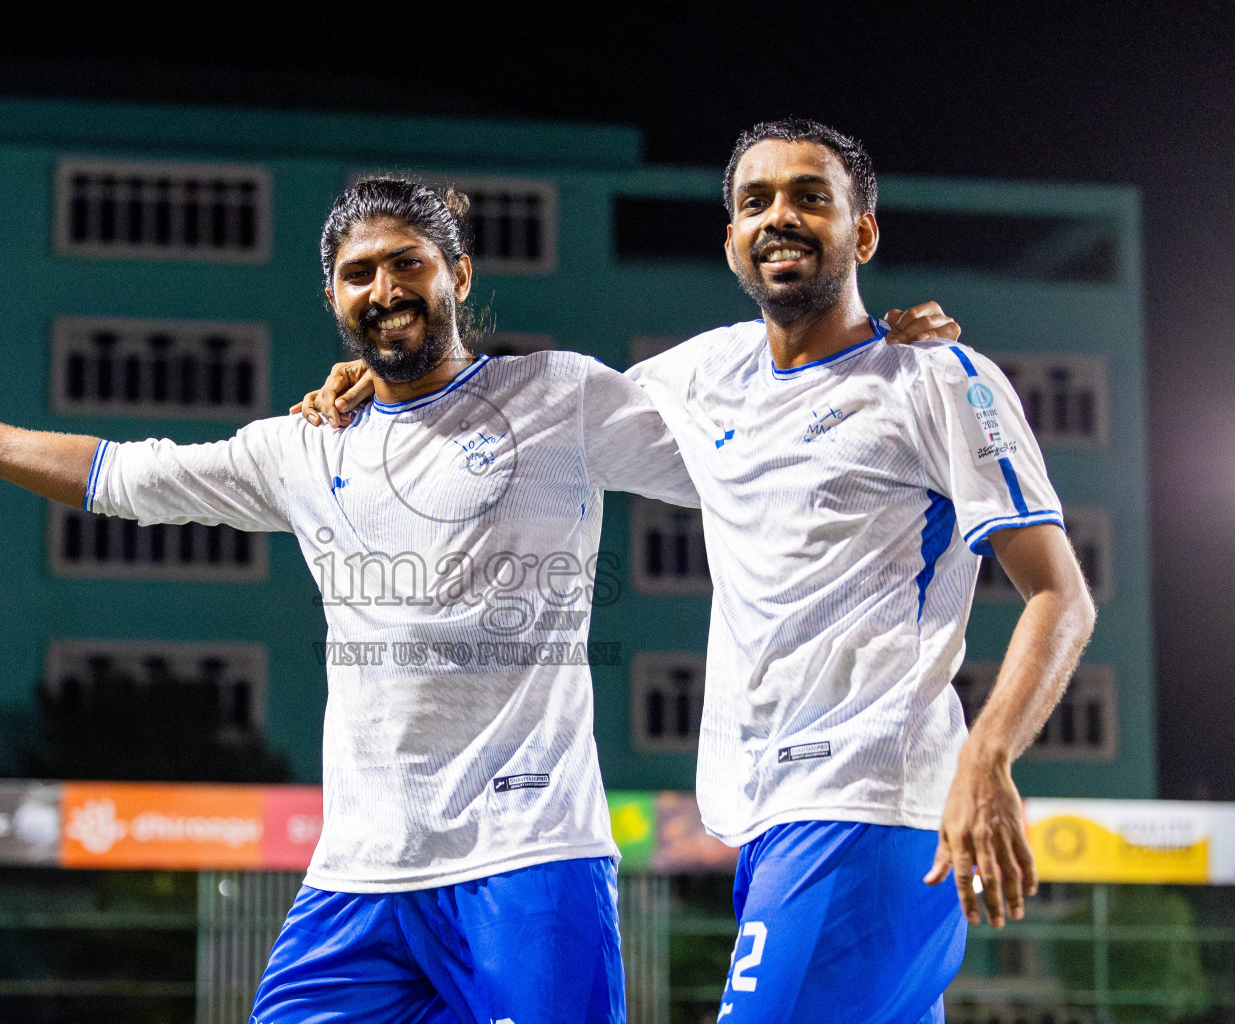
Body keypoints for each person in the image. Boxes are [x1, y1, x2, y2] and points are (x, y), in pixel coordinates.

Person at [0, 176, 959, 1024]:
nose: (385, 287)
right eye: (360, 271)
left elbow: (753, 426)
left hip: (531, 860)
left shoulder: (561, 399)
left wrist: (874, 347)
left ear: (459, 275)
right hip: (359, 873)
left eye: (409, 261)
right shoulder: (302, 446)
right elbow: (115, 473)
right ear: (332, 297)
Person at [299, 122, 1096, 1024]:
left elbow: (1060, 595)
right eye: (756, 202)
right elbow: (527, 417)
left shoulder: (937, 377)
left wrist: (988, 758)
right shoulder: (704, 373)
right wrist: (386, 382)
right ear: (731, 242)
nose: (780, 217)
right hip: (765, 819)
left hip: (868, 802)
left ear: (863, 232)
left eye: (809, 197)